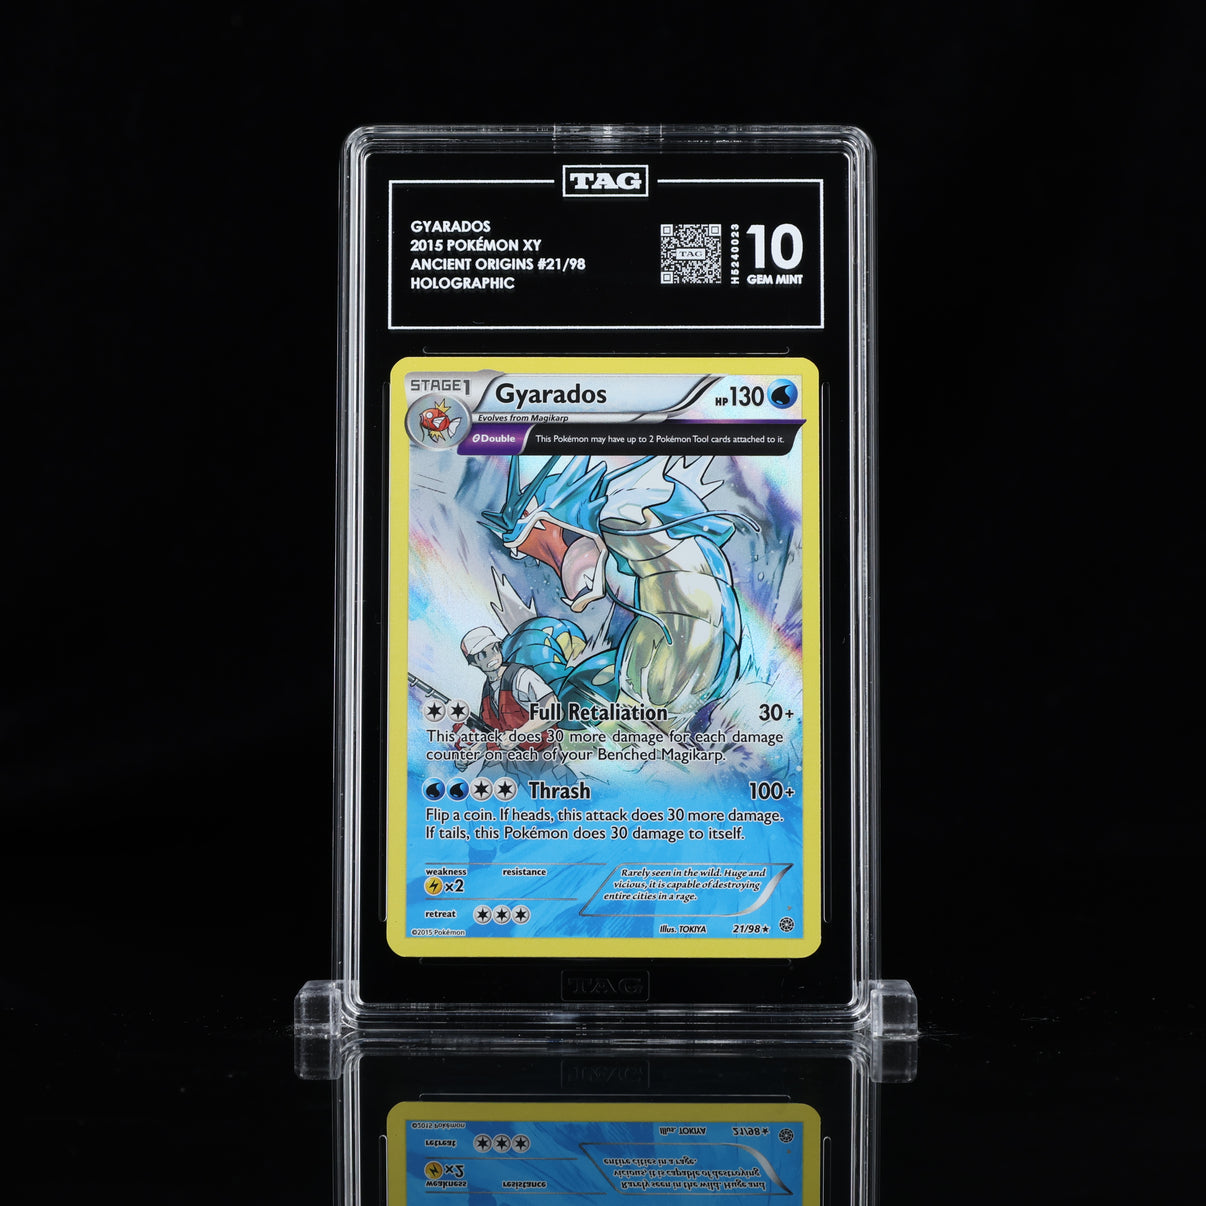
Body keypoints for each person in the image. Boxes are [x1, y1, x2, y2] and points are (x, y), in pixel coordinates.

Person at [454, 626, 573, 784]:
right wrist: (472, 753)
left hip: (543, 758)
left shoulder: (522, 677)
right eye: (483, 654)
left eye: (494, 649)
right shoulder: (487, 692)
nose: (492, 656)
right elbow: (492, 735)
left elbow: (554, 711)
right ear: (474, 662)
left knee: (557, 794)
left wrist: (519, 735)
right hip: (511, 763)